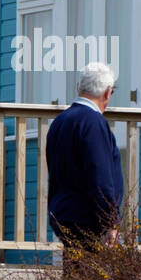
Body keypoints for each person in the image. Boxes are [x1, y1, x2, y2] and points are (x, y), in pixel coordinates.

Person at [45, 62, 125, 249]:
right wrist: (110, 221)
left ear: (78, 88)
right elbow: (100, 176)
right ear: (107, 92)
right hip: (87, 220)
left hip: (63, 213)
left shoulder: (60, 121)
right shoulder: (93, 123)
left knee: (74, 274)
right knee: (91, 276)